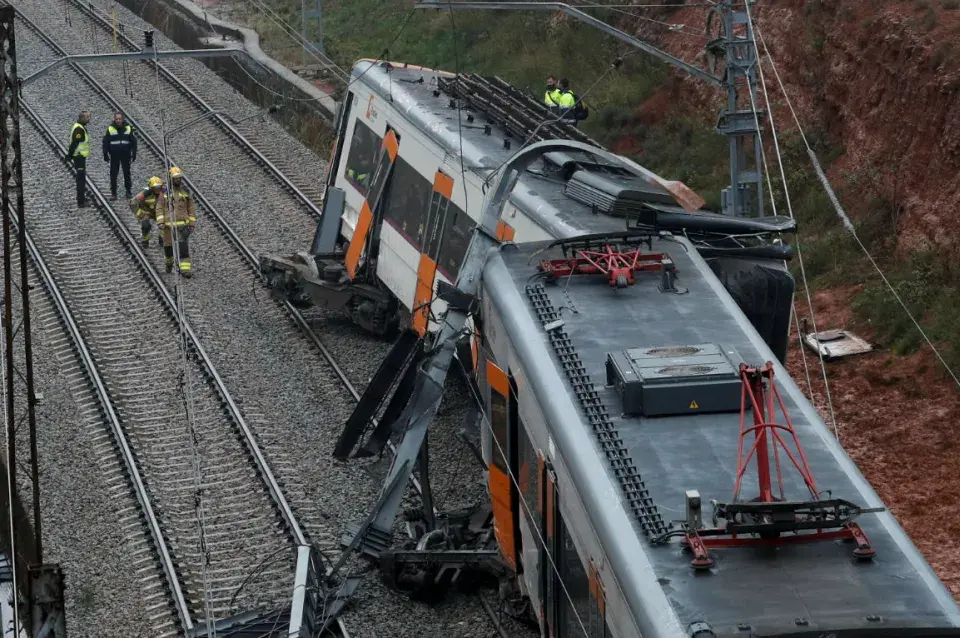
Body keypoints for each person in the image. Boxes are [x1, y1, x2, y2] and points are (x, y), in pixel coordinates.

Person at [155, 166, 196, 277]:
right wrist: (160, 222)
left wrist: (192, 223)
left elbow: (191, 208)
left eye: (179, 178)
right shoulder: (164, 192)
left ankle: (185, 270)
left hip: (183, 226)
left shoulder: (186, 191)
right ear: (171, 179)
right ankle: (169, 262)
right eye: (176, 178)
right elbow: (159, 207)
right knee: (168, 248)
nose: (178, 180)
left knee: (183, 247)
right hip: (168, 227)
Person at [103, 112, 137, 200]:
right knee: (113, 175)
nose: (118, 121)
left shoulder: (128, 128)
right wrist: (105, 153)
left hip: (125, 155)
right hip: (114, 155)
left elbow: (133, 141)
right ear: (114, 119)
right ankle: (114, 193)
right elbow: (105, 142)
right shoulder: (110, 128)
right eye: (116, 119)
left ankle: (128, 191)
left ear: (122, 119)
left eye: (119, 119)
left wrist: (134, 153)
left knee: (127, 174)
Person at [129, 176, 164, 248]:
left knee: (165, 224)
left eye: (159, 187)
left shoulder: (164, 193)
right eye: (155, 188)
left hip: (160, 211)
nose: (157, 190)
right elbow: (133, 203)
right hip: (147, 212)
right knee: (145, 226)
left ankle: (162, 239)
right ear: (151, 188)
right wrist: (141, 214)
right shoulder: (145, 193)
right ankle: (145, 240)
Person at [66, 110, 91, 208]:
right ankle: (81, 202)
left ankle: (82, 198)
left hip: (80, 157)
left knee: (82, 179)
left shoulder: (79, 127)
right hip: (79, 157)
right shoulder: (79, 130)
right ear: (82, 118)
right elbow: (74, 144)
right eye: (87, 117)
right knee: (80, 180)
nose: (89, 118)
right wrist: (70, 155)